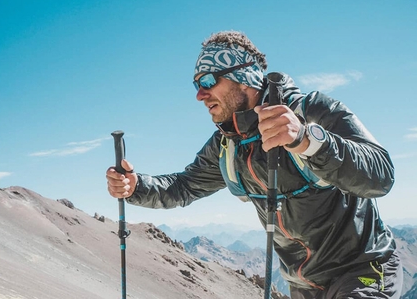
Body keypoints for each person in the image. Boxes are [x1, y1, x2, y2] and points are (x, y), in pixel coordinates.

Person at [106, 30, 403, 298]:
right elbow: (184, 187)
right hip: (304, 287)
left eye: (209, 81)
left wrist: (306, 140)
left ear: (244, 77)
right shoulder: (227, 144)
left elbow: (381, 175)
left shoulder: (312, 111)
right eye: (196, 84)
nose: (199, 95)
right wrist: (135, 187)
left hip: (364, 271)